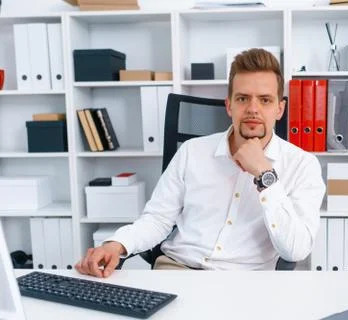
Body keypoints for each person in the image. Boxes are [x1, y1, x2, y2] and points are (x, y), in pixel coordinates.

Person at [75, 48, 325, 278]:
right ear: (229, 105)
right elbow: (158, 219)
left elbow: (296, 250)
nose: (253, 109)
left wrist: (264, 174)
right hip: (177, 270)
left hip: (245, 284)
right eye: (242, 99)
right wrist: (117, 244)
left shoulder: (302, 165)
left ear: (280, 109)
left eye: (265, 100)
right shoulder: (192, 152)